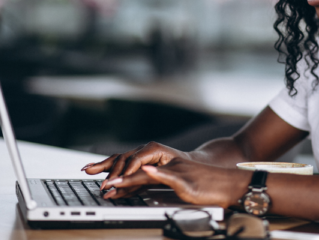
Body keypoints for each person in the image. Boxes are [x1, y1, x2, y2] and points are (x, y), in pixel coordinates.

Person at [82, 0, 319, 221]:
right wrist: (182, 163)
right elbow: (246, 148)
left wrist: (232, 185)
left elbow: (240, 168)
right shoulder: (314, 59)